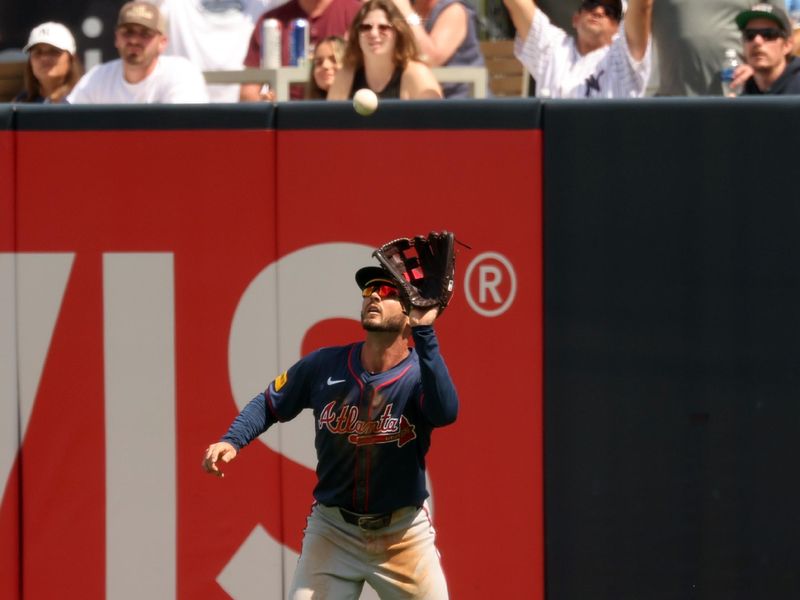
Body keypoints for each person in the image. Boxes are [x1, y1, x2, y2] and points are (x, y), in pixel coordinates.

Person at [202, 264, 458, 599]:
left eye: (387, 292)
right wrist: (232, 439)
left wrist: (426, 333)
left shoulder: (417, 376)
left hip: (403, 535)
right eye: (369, 291)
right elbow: (269, 403)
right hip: (335, 531)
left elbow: (445, 411)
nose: (373, 297)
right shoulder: (324, 365)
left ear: (411, 315)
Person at [501, 0, 653, 98]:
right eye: (592, 4)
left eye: (610, 11)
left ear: (618, 27)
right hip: (558, 145)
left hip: (608, 145)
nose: (599, 11)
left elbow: (642, 8)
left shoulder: (623, 57)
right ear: (576, 18)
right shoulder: (553, 48)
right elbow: (517, 4)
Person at [67, 1, 209, 104]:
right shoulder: (97, 77)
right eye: (127, 32)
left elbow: (183, 132)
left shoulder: (181, 73)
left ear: (162, 42)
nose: (134, 40)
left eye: (145, 34)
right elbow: (69, 123)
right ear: (117, 38)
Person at [153, 0, 277, 102]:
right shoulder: (168, 4)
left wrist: (263, 94)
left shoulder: (269, 5)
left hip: (252, 117)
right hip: (185, 115)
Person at [240, 0, 361, 101]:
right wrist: (266, 105)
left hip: (342, 115)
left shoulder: (356, 13)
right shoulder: (270, 21)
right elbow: (249, 90)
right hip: (286, 120)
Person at [327, 0, 444, 99]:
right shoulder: (346, 75)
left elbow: (436, 123)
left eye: (383, 27)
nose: (373, 33)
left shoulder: (417, 75)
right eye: (366, 27)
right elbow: (331, 122)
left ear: (398, 32)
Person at [389, 0, 486, 98]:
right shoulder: (411, 12)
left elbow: (430, 58)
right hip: (419, 100)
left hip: (462, 103)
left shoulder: (454, 10)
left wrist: (407, 12)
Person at [736, 3, 800, 93]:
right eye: (749, 35)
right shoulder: (739, 88)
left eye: (768, 34)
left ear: (787, 45)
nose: (757, 41)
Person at [14, 22, 83, 103]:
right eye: (38, 52)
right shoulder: (20, 103)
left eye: (54, 51)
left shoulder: (85, 99)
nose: (44, 58)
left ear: (71, 58)